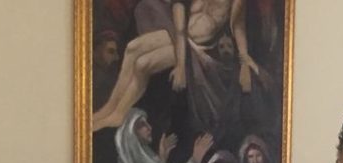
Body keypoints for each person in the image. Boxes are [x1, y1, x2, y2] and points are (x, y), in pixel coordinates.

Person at [92, 0, 262, 132]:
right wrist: (180, 64)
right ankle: (109, 108)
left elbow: (238, 26)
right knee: (131, 49)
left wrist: (244, 60)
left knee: (143, 64)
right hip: (180, 38)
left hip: (198, 50)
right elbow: (179, 27)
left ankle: (119, 114)